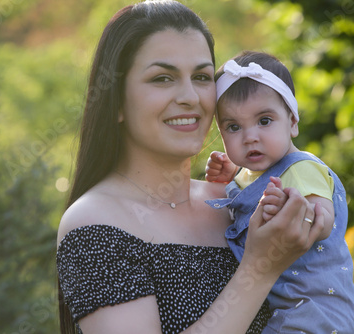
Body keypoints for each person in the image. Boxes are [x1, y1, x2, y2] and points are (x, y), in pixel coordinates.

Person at [55, 1, 327, 334]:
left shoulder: (238, 201)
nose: (190, 97)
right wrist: (259, 267)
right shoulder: (95, 223)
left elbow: (332, 303)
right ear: (116, 103)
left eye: (201, 77)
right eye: (162, 78)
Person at [205, 51, 354, 333]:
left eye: (264, 121)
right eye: (233, 127)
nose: (250, 136)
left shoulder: (302, 169)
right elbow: (251, 189)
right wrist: (231, 177)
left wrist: (290, 206)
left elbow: (323, 221)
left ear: (292, 122)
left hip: (319, 308)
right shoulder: (251, 173)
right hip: (288, 308)